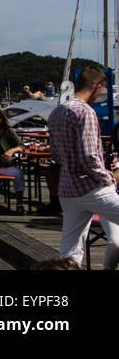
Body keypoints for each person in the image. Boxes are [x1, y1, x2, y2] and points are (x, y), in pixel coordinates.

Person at [48, 65, 119, 267]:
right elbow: (90, 156)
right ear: (98, 87)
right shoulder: (85, 112)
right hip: (91, 187)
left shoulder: (57, 112)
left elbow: (56, 154)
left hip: (68, 189)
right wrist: (108, 179)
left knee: (70, 251)